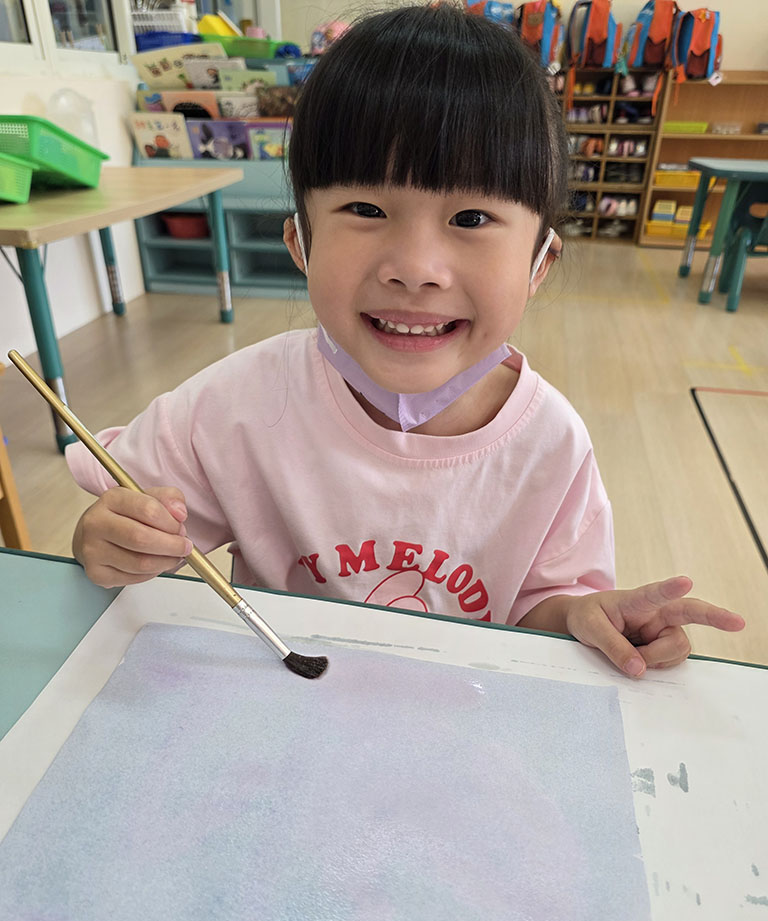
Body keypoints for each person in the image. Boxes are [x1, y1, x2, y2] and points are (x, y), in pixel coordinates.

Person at [67, 4, 744, 676]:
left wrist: (582, 616)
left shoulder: (551, 445)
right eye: (366, 209)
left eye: (471, 217)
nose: (415, 269)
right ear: (300, 243)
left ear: (540, 263)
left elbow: (544, 607)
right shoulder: (235, 403)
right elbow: (131, 516)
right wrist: (111, 540)